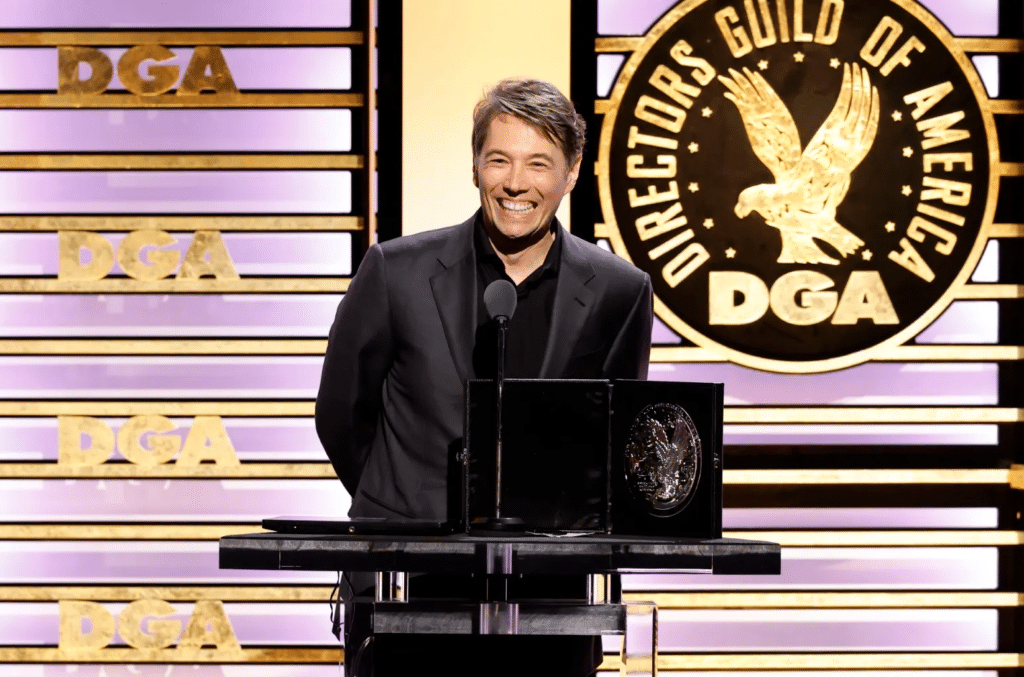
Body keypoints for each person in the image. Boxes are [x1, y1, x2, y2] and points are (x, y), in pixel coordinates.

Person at [316, 78, 653, 676]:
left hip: (551, 601)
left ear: (571, 173)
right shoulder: (396, 271)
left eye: (538, 164)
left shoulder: (620, 291)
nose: (516, 183)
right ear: (476, 167)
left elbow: (615, 444)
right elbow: (343, 415)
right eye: (499, 160)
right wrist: (403, 505)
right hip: (408, 590)